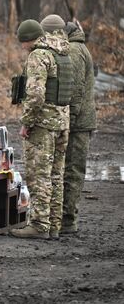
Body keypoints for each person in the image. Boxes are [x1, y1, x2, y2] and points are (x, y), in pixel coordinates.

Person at [9, 19, 70, 240]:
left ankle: (39, 224)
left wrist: (27, 122)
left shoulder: (38, 56)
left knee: (39, 176)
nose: (22, 47)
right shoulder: (62, 52)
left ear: (27, 39)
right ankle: (54, 224)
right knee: (56, 175)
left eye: (22, 42)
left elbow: (35, 95)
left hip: (43, 125)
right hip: (62, 122)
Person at [59, 21, 97, 235]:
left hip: (78, 124)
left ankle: (67, 220)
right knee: (72, 170)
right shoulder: (79, 47)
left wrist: (68, 121)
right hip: (82, 121)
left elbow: (75, 91)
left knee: (72, 170)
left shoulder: (73, 50)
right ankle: (66, 217)